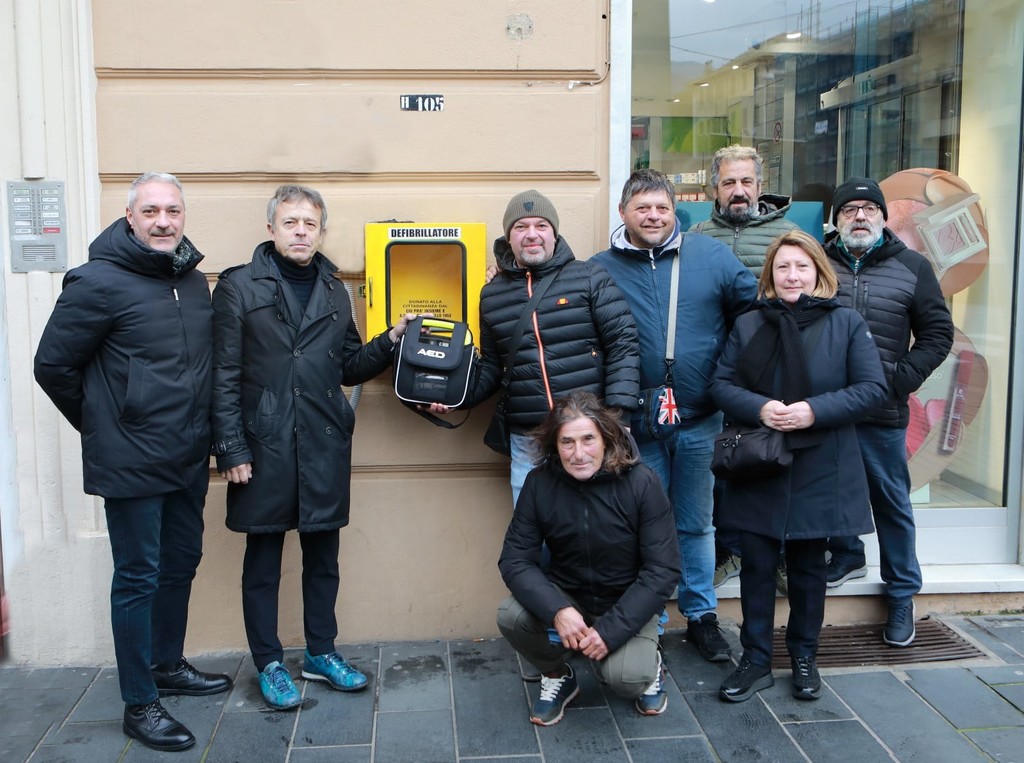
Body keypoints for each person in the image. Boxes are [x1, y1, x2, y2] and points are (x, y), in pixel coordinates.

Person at [34, 172, 232, 752]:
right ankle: (140, 702)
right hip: (132, 461)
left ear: (183, 216)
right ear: (129, 217)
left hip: (187, 455)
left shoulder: (191, 280)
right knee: (138, 577)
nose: (163, 221)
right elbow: (53, 366)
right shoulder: (96, 281)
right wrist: (108, 424)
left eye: (172, 210)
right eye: (150, 211)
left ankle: (167, 665)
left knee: (180, 563)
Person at [210, 185, 416, 710]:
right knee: (263, 561)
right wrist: (231, 448)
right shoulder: (237, 286)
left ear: (322, 231)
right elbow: (223, 373)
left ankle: (321, 653)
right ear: (271, 229)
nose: (300, 231)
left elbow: (348, 365)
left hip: (323, 441)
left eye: (310, 223)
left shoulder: (333, 289)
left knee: (324, 558)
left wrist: (390, 339)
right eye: (290, 222)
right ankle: (269, 663)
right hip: (265, 444)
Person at [711, 230, 887, 702]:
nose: (792, 276)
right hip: (760, 459)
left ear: (818, 272)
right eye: (783, 267)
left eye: (802, 266)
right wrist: (760, 408)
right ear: (771, 274)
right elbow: (721, 385)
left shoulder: (846, 323)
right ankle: (755, 660)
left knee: (809, 568)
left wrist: (813, 410)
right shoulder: (750, 323)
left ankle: (805, 657)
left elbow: (872, 389)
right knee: (757, 565)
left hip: (821, 460)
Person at [592, 169, 758, 663]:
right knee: (644, 525)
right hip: (636, 423)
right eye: (642, 208)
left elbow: (752, 315)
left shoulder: (711, 256)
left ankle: (701, 616)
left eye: (662, 208)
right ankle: (649, 620)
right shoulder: (599, 269)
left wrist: (728, 376)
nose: (653, 216)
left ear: (674, 212)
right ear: (623, 212)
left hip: (701, 418)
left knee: (696, 524)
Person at [496, 391, 680, 725]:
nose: (578, 454)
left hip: (626, 598)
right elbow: (514, 560)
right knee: (511, 616)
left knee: (626, 679)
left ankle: (650, 665)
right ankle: (557, 674)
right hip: (569, 594)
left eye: (588, 440)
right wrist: (558, 610)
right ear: (555, 445)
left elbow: (663, 569)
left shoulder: (641, 483)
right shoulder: (539, 483)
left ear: (606, 438)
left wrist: (610, 630)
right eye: (567, 442)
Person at [823, 177, 954, 646]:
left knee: (891, 504)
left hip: (882, 410)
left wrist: (899, 380)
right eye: (850, 209)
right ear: (836, 220)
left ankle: (901, 594)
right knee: (833, 492)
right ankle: (846, 555)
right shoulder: (817, 262)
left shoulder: (912, 266)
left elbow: (937, 334)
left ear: (882, 216)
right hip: (829, 408)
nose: (860, 216)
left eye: (869, 209)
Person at [457, 190, 640, 507]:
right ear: (509, 237)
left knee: (598, 525)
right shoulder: (492, 295)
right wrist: (453, 399)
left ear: (554, 233)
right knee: (532, 528)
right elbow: (492, 367)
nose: (532, 234)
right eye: (521, 227)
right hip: (529, 440)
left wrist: (619, 416)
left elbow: (623, 344)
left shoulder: (589, 277)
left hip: (589, 434)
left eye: (541, 225)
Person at [691, 145, 800, 591]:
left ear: (759, 186)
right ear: (714, 189)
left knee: (775, 463)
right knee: (723, 466)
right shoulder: (696, 235)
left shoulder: (788, 235)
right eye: (729, 182)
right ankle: (729, 551)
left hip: (774, 372)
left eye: (746, 182)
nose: (738, 191)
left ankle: (778, 556)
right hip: (716, 372)